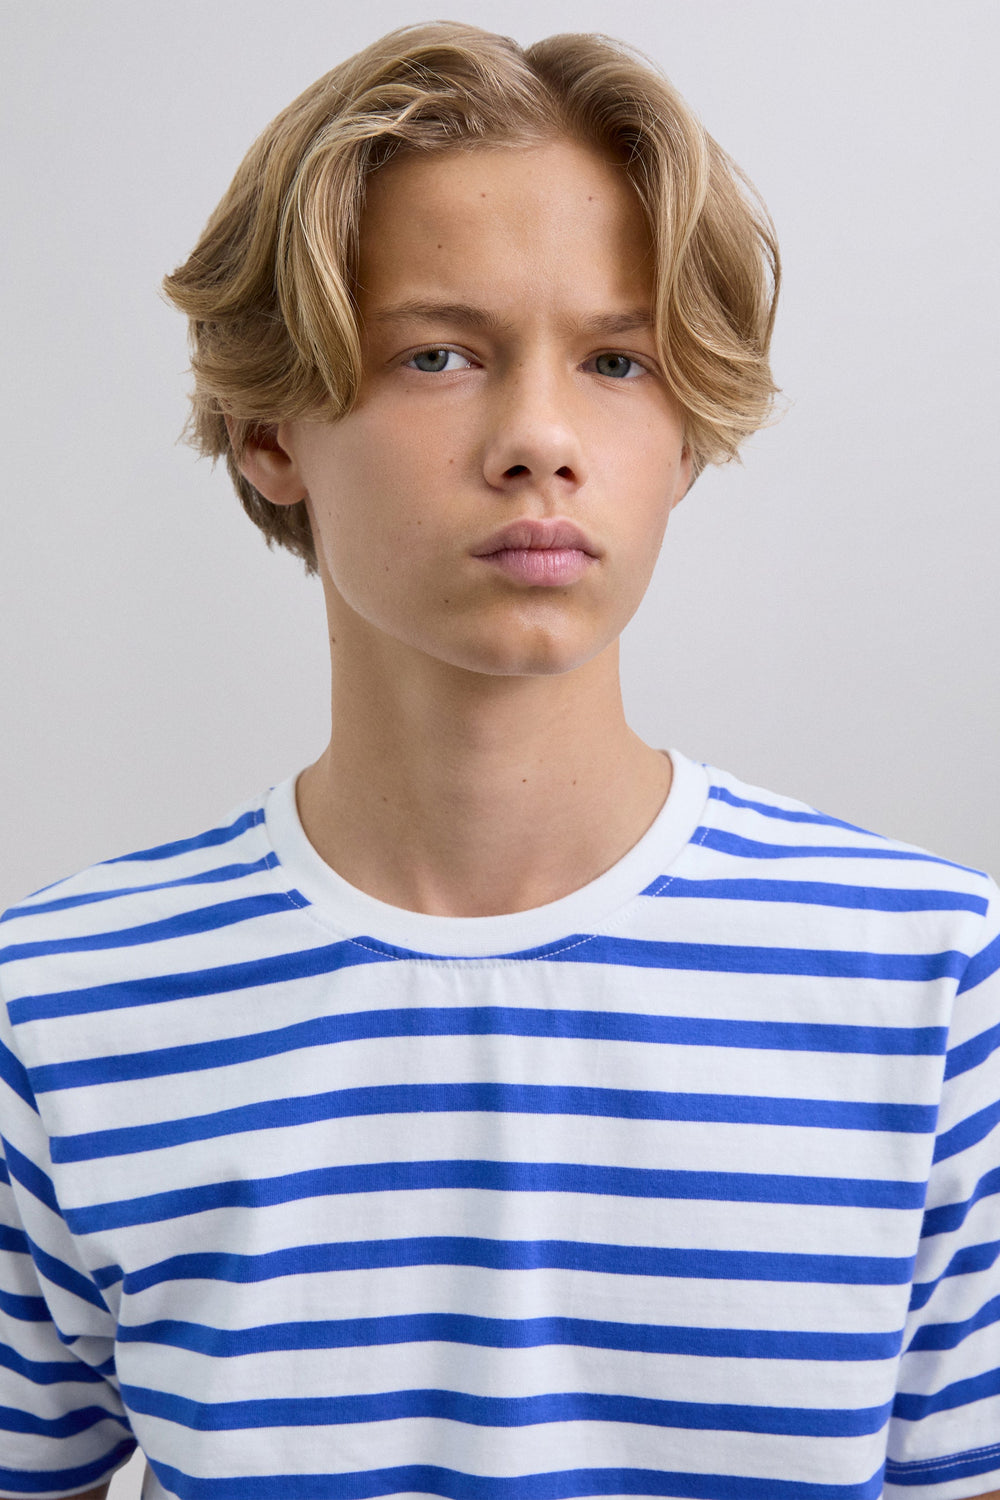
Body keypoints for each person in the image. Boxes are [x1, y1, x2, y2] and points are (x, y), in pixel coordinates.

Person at [0, 19, 997, 1500]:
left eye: (617, 360)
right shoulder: (63, 1008)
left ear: (687, 431)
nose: (540, 438)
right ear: (270, 430)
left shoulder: (932, 984)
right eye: (440, 354)